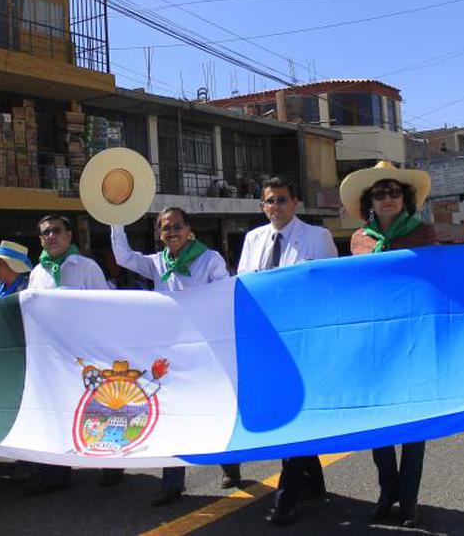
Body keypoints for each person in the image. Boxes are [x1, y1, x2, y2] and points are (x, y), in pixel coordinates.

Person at [111, 207, 230, 506]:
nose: (172, 232)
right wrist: (115, 218)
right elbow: (124, 257)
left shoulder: (210, 259)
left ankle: (232, 466)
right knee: (174, 412)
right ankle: (172, 483)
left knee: (217, 408)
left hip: (207, 349)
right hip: (171, 351)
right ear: (159, 234)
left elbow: (223, 297)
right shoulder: (156, 263)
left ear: (189, 229)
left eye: (177, 226)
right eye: (166, 228)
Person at [236, 177, 338, 526]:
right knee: (286, 413)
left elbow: (327, 290)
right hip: (267, 343)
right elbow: (243, 286)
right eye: (269, 201)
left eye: (281, 200)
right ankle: (313, 482)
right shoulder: (253, 239)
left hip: (303, 342)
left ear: (295, 203)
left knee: (295, 413)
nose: (275, 207)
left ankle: (286, 497)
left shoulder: (316, 237)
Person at [341, 160, 436, 528]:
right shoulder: (358, 240)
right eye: (380, 193)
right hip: (374, 341)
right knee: (379, 421)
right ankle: (387, 492)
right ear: (370, 201)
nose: (387, 198)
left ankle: (409, 499)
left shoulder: (424, 235)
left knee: (414, 424)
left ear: (405, 198)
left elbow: (436, 281)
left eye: (394, 191)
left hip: (413, 337)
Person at [25, 215, 111, 496]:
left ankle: (111, 465)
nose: (51, 236)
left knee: (97, 411)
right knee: (57, 413)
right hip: (53, 358)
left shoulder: (87, 268)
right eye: (45, 233)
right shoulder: (38, 273)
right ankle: (56, 473)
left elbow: (105, 309)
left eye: (56, 231)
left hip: (87, 355)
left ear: (69, 235)